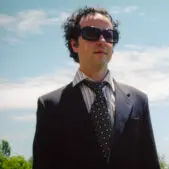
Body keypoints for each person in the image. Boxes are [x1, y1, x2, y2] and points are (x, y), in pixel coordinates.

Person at [32, 6, 161, 169]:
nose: (101, 40)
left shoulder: (139, 100)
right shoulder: (50, 105)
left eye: (109, 35)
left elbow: (150, 162)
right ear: (74, 44)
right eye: (91, 33)